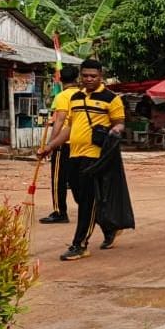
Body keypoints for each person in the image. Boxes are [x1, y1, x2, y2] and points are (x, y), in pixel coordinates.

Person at [36, 59, 126, 261]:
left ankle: (80, 244)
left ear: (100, 76)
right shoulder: (75, 98)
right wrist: (50, 146)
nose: (89, 79)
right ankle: (110, 227)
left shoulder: (111, 98)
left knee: (87, 201)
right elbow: (69, 128)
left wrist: (113, 132)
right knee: (80, 197)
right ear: (80, 76)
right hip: (73, 155)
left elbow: (119, 124)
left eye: (93, 76)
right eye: (85, 75)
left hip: (95, 157)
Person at [39, 71, 76, 225]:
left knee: (58, 179)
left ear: (60, 80)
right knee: (76, 179)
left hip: (63, 143)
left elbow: (60, 121)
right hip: (79, 142)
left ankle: (60, 211)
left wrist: (50, 145)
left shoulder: (62, 96)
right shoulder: (83, 94)